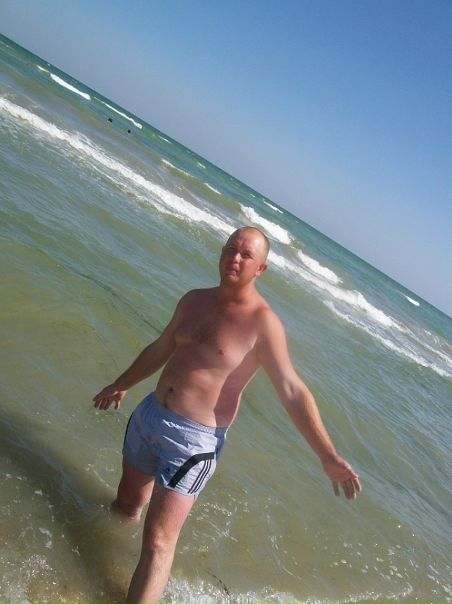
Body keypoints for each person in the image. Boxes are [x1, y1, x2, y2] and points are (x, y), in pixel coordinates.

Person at [93, 226, 361, 604]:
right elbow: (161, 348)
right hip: (150, 416)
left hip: (192, 444)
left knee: (158, 541)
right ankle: (99, 567)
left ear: (261, 269)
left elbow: (291, 390)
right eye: (230, 249)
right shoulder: (193, 300)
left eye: (246, 255)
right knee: (125, 506)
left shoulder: (263, 324)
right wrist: (121, 383)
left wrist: (327, 455)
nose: (235, 258)